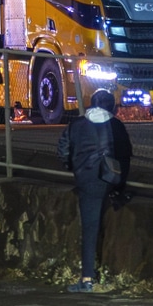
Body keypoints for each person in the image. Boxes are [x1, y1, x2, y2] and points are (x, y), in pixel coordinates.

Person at [57, 87, 132, 292]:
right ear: (112, 107)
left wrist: (72, 166)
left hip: (87, 180)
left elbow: (63, 149)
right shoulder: (116, 125)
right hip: (109, 178)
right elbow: (125, 154)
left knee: (90, 229)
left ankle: (87, 278)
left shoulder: (77, 124)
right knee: (101, 224)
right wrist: (120, 182)